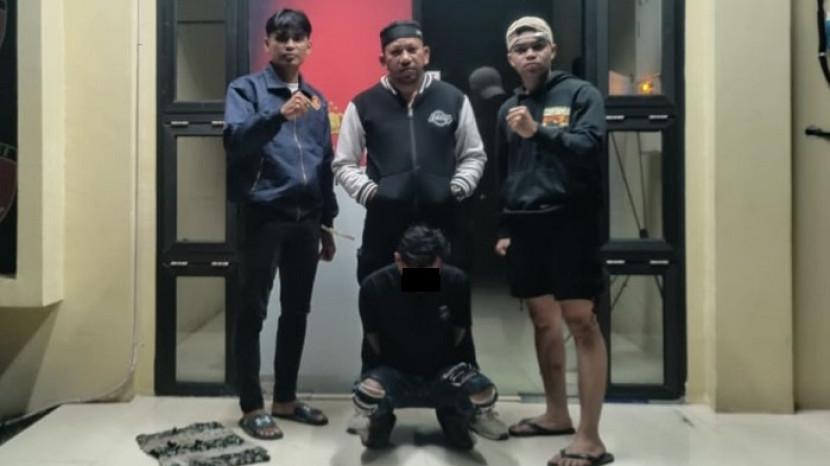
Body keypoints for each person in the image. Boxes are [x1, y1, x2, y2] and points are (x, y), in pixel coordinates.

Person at [494, 17, 614, 466]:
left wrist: (539, 131)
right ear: (510, 58)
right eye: (521, 48)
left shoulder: (581, 94)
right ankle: (556, 413)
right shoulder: (509, 108)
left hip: (571, 222)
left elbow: (589, 146)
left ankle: (591, 437)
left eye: (537, 45)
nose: (530, 53)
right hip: (525, 225)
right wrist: (504, 228)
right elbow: (504, 170)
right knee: (543, 321)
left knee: (581, 321)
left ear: (552, 50)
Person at [223, 9, 337, 440]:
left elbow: (323, 163)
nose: (289, 45)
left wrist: (327, 221)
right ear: (267, 44)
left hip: (306, 220)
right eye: (281, 37)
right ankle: (252, 405)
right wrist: (277, 115)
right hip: (263, 216)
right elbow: (234, 141)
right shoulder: (246, 90)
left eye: (298, 38)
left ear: (309, 45)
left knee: (296, 311)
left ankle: (285, 399)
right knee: (252, 309)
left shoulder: (317, 100)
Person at [332, 19, 487, 284]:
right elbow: (344, 162)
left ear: (425, 54)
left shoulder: (453, 99)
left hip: (440, 221)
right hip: (386, 224)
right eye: (395, 52)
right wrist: (372, 195)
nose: (405, 58)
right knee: (386, 298)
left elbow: (473, 154)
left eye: (412, 50)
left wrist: (456, 189)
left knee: (432, 298)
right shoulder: (363, 104)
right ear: (383, 59)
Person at [352, 225, 502, 449]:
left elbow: (460, 333)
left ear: (439, 262)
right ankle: (378, 421)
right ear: (398, 260)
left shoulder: (456, 281)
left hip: (443, 369)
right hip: (393, 369)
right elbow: (373, 339)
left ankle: (457, 418)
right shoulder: (374, 286)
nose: (420, 280)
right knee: (368, 392)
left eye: (429, 271)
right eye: (413, 271)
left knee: (482, 391)